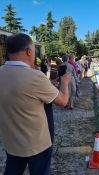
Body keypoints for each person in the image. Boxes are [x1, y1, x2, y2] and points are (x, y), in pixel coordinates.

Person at [0, 33, 71, 175]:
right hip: (37, 145)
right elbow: (63, 101)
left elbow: (20, 93)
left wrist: (47, 85)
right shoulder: (35, 76)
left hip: (12, 143)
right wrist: (64, 83)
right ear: (29, 51)